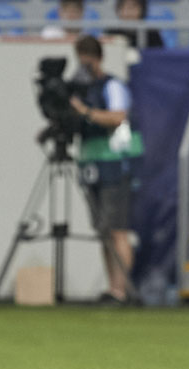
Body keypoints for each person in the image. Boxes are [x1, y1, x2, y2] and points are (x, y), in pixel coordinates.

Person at [69, 35, 144, 304]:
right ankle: (113, 288)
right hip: (92, 163)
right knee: (103, 230)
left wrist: (85, 112)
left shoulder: (112, 85)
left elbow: (117, 116)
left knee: (117, 228)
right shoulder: (81, 89)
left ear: (98, 58)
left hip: (116, 162)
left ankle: (121, 289)